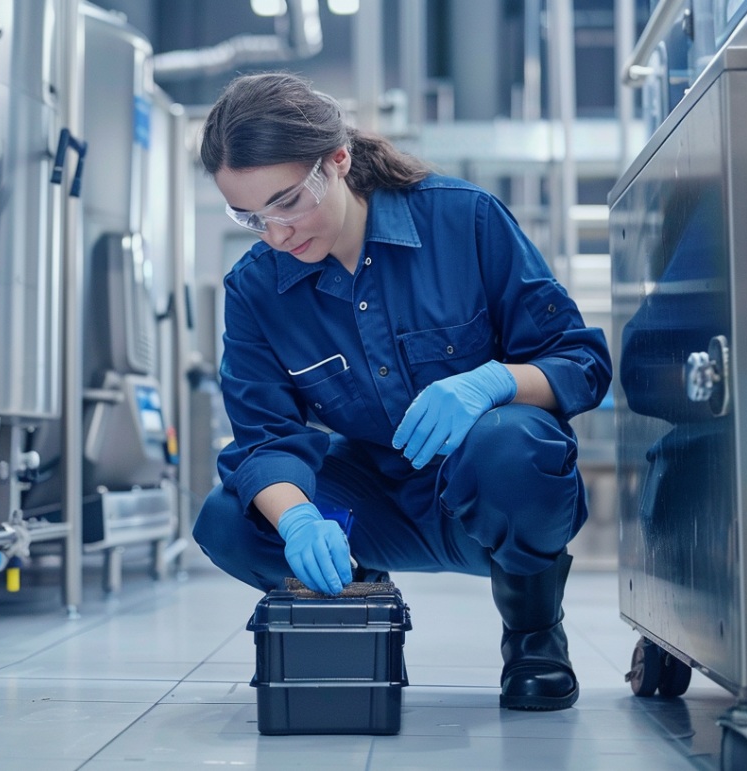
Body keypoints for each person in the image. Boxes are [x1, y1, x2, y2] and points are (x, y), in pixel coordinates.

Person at [191, 71, 612, 712]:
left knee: (511, 441)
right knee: (229, 519)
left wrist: (493, 381)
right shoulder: (256, 288)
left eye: (287, 201)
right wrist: (301, 518)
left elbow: (581, 362)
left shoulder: (462, 220)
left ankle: (533, 635)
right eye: (250, 216)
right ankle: (362, 605)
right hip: (371, 506)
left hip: (487, 494)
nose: (276, 233)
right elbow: (265, 437)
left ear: (338, 160)